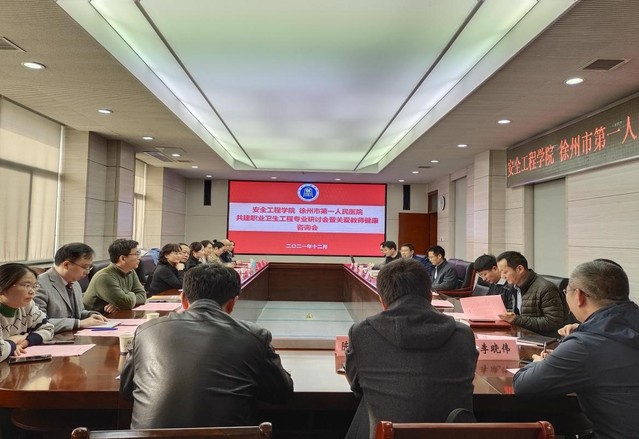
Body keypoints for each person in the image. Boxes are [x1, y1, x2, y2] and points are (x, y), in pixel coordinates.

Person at [120, 263, 294, 428]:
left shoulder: (146, 331)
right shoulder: (254, 336)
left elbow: (127, 390)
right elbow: (281, 393)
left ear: (183, 299)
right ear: (232, 303)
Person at [345, 258, 477, 439]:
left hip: (389, 433)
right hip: (452, 433)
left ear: (382, 302)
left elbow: (356, 386)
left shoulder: (362, 333)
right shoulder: (463, 334)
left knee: (366, 409)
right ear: (430, 296)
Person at [513, 259, 639, 439]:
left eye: (567, 292)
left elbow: (524, 386)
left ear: (579, 296)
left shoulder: (585, 345)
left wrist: (541, 363)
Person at [35, 242, 108, 333]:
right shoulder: (39, 284)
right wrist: (78, 323)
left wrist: (90, 315)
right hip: (52, 338)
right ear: (66, 265)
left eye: (90, 267)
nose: (87, 272)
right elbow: (38, 323)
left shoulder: (75, 283)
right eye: (85, 267)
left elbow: (78, 313)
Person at [496, 251, 567, 336]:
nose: (502, 277)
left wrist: (517, 319)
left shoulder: (546, 288)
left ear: (520, 269)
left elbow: (553, 322)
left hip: (542, 340)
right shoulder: (513, 287)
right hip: (522, 336)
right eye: (500, 272)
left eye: (505, 272)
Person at [0, 263, 54, 361]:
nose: (32, 291)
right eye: (27, 285)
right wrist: (13, 341)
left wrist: (24, 342)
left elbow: (48, 329)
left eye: (35, 286)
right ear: (3, 287)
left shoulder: (27, 306)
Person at [83, 239, 147, 314]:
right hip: (100, 318)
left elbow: (142, 296)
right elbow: (127, 303)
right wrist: (125, 300)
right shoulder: (104, 277)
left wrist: (121, 303)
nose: (139, 257)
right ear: (123, 258)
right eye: (137, 254)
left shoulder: (130, 271)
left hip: (117, 315)